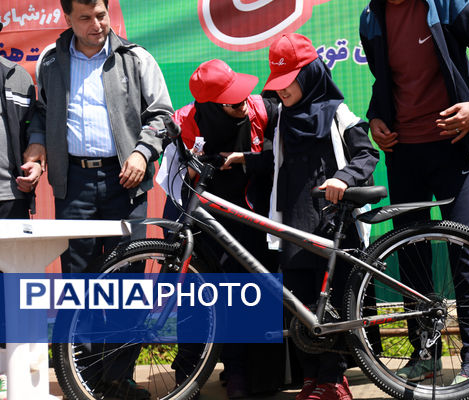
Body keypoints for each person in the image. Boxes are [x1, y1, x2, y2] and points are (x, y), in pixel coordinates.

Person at [24, 0, 173, 398]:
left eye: (102, 15)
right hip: (73, 182)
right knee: (80, 284)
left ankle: (119, 377)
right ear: (68, 19)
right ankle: (84, 377)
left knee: (128, 284)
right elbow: (40, 114)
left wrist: (143, 152)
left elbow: (162, 115)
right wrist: (37, 150)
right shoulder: (51, 63)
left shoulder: (136, 58)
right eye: (86, 18)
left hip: (126, 182)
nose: (97, 25)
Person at [359, 0, 469, 384]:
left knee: (465, 247)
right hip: (402, 152)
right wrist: (376, 116)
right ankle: (424, 353)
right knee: (411, 253)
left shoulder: (447, 3)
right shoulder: (370, 17)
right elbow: (384, 81)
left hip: (453, 148)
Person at [259, 33, 379, 400]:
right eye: (276, 84)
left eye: (288, 82)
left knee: (337, 303)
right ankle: (312, 378)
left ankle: (334, 380)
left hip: (334, 227)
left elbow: (366, 155)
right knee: (301, 305)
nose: (281, 91)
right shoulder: (279, 119)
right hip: (293, 225)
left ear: (310, 74)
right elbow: (272, 163)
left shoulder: (338, 113)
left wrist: (342, 179)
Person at [157, 59, 285, 398]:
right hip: (201, 213)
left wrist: (245, 158)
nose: (243, 101)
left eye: (242, 93)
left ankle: (241, 373)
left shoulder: (261, 109)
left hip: (251, 213)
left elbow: (286, 154)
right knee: (194, 293)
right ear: (210, 107)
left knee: (248, 291)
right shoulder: (184, 122)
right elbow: (172, 177)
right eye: (232, 99)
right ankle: (187, 373)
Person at [0, 21, 42, 400]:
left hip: (10, 197)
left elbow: (34, 132)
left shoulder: (19, 78)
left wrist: (36, 162)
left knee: (12, 292)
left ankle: (8, 374)